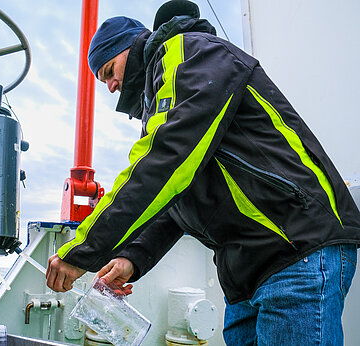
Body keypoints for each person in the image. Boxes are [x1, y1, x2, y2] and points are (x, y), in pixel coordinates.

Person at [46, 1, 360, 344]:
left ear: (130, 46)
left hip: (293, 249)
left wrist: (80, 251)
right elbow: (176, 201)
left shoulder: (191, 51)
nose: (109, 86)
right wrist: (131, 258)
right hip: (245, 276)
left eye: (109, 70)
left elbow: (164, 161)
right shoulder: (163, 100)